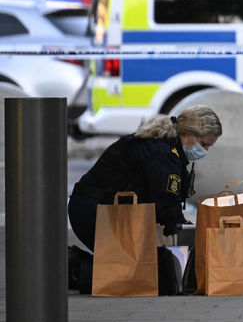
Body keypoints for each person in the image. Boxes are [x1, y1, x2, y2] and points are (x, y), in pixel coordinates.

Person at [67, 105, 223, 290]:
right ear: (190, 135)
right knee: (138, 274)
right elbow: (167, 203)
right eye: (204, 144)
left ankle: (76, 266)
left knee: (141, 269)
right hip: (95, 213)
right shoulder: (162, 152)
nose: (205, 150)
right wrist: (188, 240)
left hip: (99, 210)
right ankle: (74, 268)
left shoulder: (164, 145)